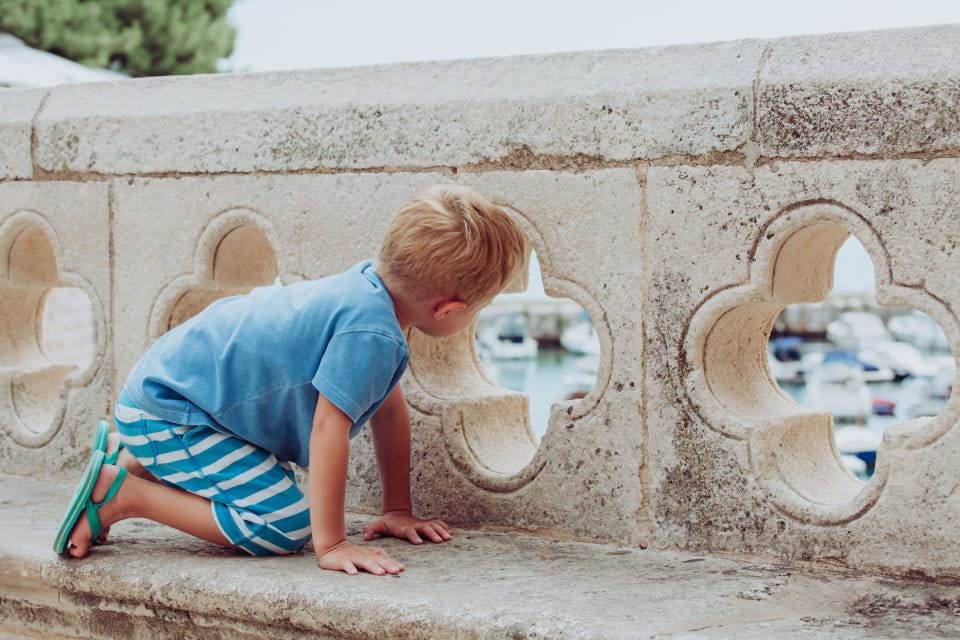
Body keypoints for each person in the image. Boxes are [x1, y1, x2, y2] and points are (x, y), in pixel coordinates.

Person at [53, 184, 527, 576]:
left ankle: (135, 458)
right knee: (283, 524)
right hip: (171, 412)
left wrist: (397, 508)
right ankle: (123, 493)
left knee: (274, 484)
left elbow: (387, 408)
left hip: (169, 396)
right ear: (449, 309)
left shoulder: (365, 289)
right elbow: (327, 430)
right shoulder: (373, 333)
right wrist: (333, 544)